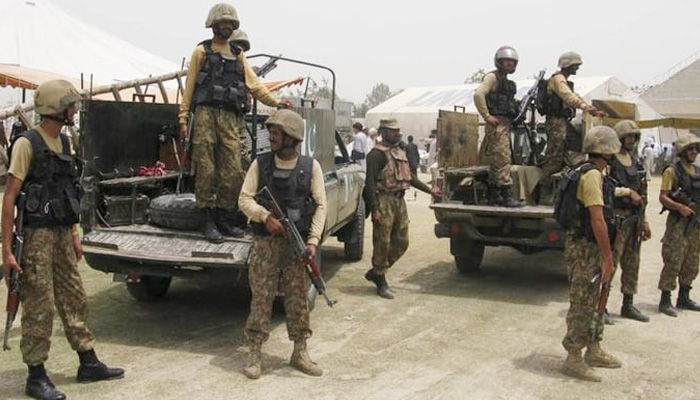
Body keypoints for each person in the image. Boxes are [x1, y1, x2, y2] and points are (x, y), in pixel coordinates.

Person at [2, 80, 124, 400]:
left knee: (74, 296)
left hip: (61, 232)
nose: (74, 110)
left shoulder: (66, 143)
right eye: (70, 105)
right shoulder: (27, 144)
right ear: (56, 108)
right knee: (40, 305)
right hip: (36, 235)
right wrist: (6, 251)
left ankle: (87, 361)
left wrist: (74, 234)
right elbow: (10, 198)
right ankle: (36, 374)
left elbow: (67, 192)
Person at [179, 3, 283, 243]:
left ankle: (224, 218)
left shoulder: (238, 55)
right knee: (206, 169)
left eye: (230, 24)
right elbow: (190, 87)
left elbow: (255, 86)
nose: (226, 27)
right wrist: (183, 118)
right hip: (205, 114)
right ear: (213, 25)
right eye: (222, 23)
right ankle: (207, 219)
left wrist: (276, 103)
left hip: (230, 118)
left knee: (233, 171)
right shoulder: (201, 52)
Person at [238, 109, 327, 379]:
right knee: (261, 298)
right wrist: (265, 217)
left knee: (298, 297)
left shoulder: (310, 167)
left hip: (295, 246)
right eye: (271, 131)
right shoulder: (260, 163)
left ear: (292, 137)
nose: (271, 136)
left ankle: (300, 351)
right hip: (265, 244)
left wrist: (312, 241)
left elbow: (321, 205)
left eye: (276, 132)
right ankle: (254, 352)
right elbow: (244, 199)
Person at [561, 126, 622, 382]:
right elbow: (597, 219)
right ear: (608, 151)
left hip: (588, 246)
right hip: (586, 248)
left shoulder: (591, 172)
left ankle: (593, 348)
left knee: (598, 298)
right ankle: (574, 356)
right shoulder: (592, 176)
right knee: (582, 302)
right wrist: (608, 257)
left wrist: (628, 192)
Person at [363, 118, 442, 299]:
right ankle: (381, 279)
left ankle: (377, 271)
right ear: (383, 132)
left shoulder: (400, 151)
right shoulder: (376, 155)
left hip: (400, 201)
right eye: (393, 131)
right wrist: (374, 208)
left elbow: (410, 177)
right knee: (382, 242)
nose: (397, 134)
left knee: (401, 241)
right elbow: (369, 184)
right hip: (384, 201)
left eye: (398, 130)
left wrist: (429, 189)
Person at [609, 120, 651, 322]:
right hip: (617, 219)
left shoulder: (636, 162)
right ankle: (602, 306)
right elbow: (605, 189)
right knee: (610, 263)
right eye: (628, 136)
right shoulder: (610, 161)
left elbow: (643, 194)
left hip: (634, 220)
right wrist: (628, 192)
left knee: (632, 263)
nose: (631, 140)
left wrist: (645, 221)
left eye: (634, 137)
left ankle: (628, 304)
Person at [540, 52, 606, 177]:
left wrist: (590, 108)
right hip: (556, 122)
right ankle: (546, 189)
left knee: (568, 154)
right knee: (554, 157)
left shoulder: (563, 80)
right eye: (575, 65)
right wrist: (585, 107)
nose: (577, 68)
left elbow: (575, 96)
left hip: (562, 121)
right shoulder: (558, 79)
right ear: (568, 65)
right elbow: (568, 96)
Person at [657, 133, 700, 317]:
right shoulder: (672, 171)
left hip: (695, 223)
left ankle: (684, 296)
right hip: (678, 223)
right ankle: (665, 299)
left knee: (692, 260)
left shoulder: (697, 171)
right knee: (673, 260)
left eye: (696, 149)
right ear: (682, 151)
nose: (694, 152)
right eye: (690, 149)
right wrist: (680, 207)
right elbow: (663, 196)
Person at [474, 46, 522, 207]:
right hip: (497, 125)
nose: (510, 64)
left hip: (504, 124)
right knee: (503, 159)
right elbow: (478, 94)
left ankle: (495, 194)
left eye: (512, 62)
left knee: (497, 161)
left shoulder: (505, 82)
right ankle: (506, 194)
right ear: (499, 62)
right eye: (507, 61)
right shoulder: (492, 78)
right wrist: (487, 116)